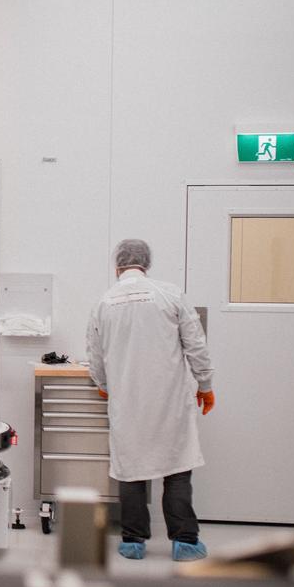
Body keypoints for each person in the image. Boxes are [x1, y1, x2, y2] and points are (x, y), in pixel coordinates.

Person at [86, 239, 215, 563]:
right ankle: (185, 541)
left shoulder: (105, 301)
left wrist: (102, 385)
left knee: (131, 470)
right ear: (146, 264)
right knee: (177, 467)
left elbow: (95, 355)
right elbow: (195, 345)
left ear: (118, 265)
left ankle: (133, 541)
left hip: (127, 401)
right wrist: (205, 384)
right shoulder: (169, 294)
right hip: (169, 399)